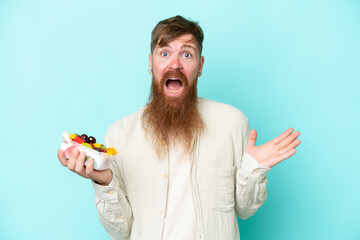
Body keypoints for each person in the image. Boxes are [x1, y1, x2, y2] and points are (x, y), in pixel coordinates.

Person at [57, 15, 301, 240]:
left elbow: (245, 210)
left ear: (200, 65)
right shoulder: (119, 134)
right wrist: (104, 181)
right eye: (164, 54)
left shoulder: (233, 122)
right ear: (150, 63)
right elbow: (121, 231)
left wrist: (254, 168)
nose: (175, 64)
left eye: (187, 54)